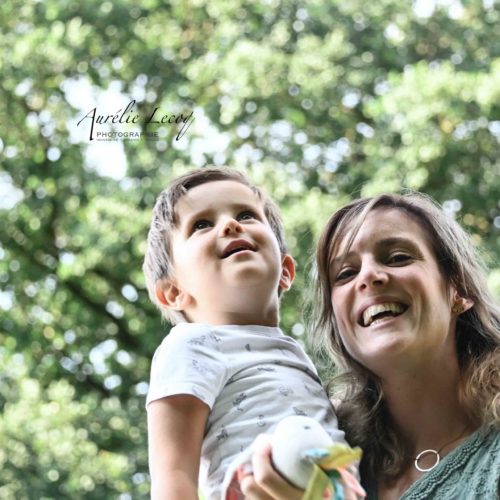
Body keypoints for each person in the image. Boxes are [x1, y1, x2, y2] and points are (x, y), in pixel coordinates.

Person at [240, 192, 500, 499]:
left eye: (398, 257)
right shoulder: (323, 453)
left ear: (459, 290)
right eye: (346, 273)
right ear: (337, 323)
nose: (369, 277)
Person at [143, 168, 352, 500]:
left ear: (285, 271)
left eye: (246, 214)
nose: (230, 224)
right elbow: (173, 473)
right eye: (201, 224)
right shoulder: (191, 345)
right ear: (173, 292)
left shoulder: (294, 354)